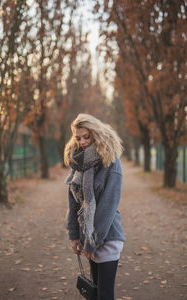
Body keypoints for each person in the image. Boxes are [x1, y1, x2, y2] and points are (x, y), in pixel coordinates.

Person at [64, 113, 125, 300]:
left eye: (86, 137)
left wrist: (92, 242)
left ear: (96, 134)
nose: (82, 142)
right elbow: (74, 202)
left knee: (104, 294)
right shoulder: (79, 163)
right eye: (78, 137)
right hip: (88, 237)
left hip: (106, 237)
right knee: (95, 293)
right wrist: (74, 235)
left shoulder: (111, 163)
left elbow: (107, 208)